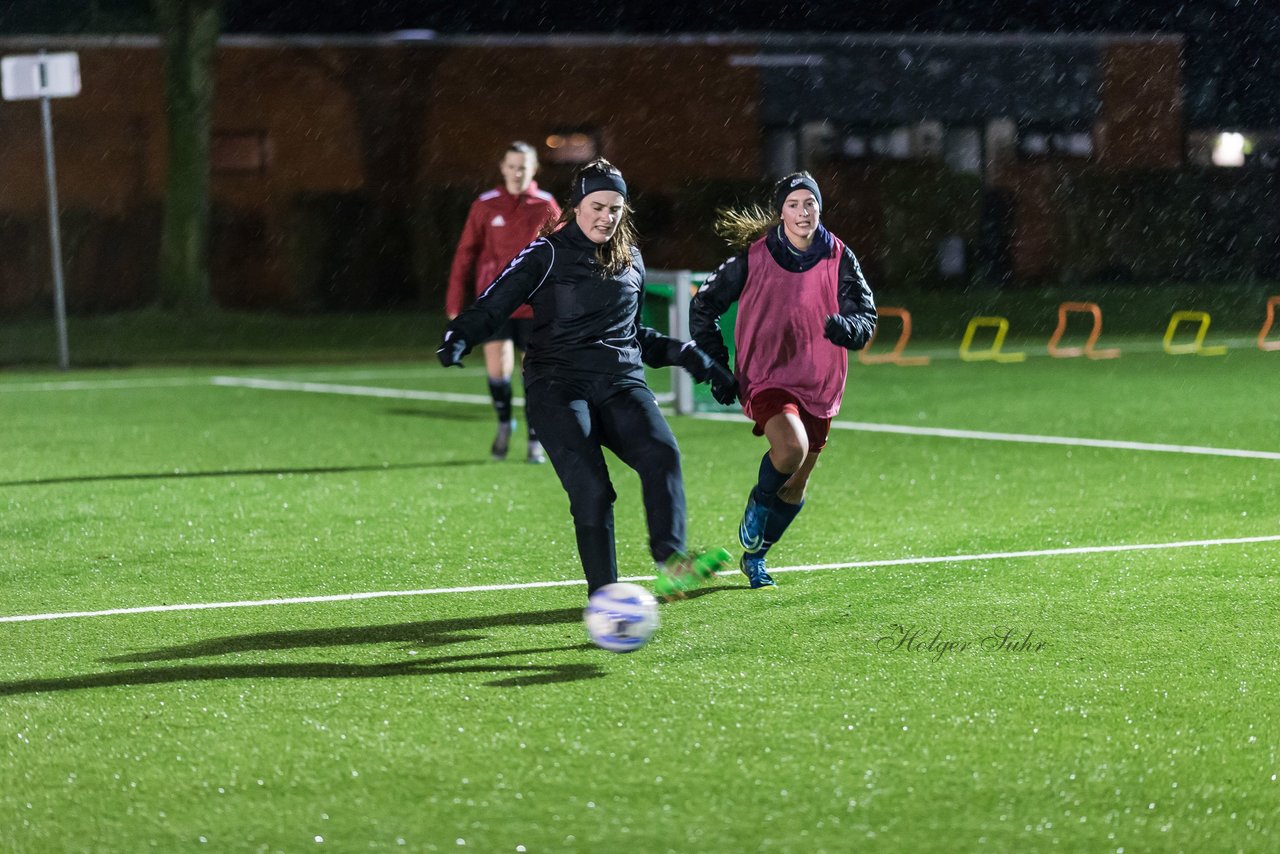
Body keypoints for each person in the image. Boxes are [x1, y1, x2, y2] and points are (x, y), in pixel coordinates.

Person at [437, 158, 732, 596]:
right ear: (576, 206)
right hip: (557, 387)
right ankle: (605, 596)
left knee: (661, 453)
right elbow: (495, 303)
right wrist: (461, 335)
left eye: (615, 208)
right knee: (593, 491)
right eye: (597, 206)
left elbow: (632, 335)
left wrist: (686, 354)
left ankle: (671, 562)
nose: (606, 217)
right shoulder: (547, 253)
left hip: (620, 383)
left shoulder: (632, 259)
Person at [689, 171, 877, 589]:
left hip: (821, 381)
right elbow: (703, 305)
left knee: (796, 484)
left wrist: (848, 328)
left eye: (809, 203)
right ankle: (757, 505)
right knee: (791, 447)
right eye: (793, 204)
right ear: (781, 213)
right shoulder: (754, 257)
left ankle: (755, 557)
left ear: (819, 208)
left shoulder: (839, 255)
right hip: (767, 374)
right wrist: (716, 364)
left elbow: (866, 315)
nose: (802, 211)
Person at [445, 141, 561, 463]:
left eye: (523, 167)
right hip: (494, 303)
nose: (517, 172)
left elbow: (560, 253)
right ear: (503, 168)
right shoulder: (485, 205)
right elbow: (465, 252)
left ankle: (535, 440)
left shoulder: (546, 205)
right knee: (498, 370)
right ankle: (504, 424)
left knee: (532, 373)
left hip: (534, 304)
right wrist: (455, 300)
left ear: (534, 169)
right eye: (512, 166)